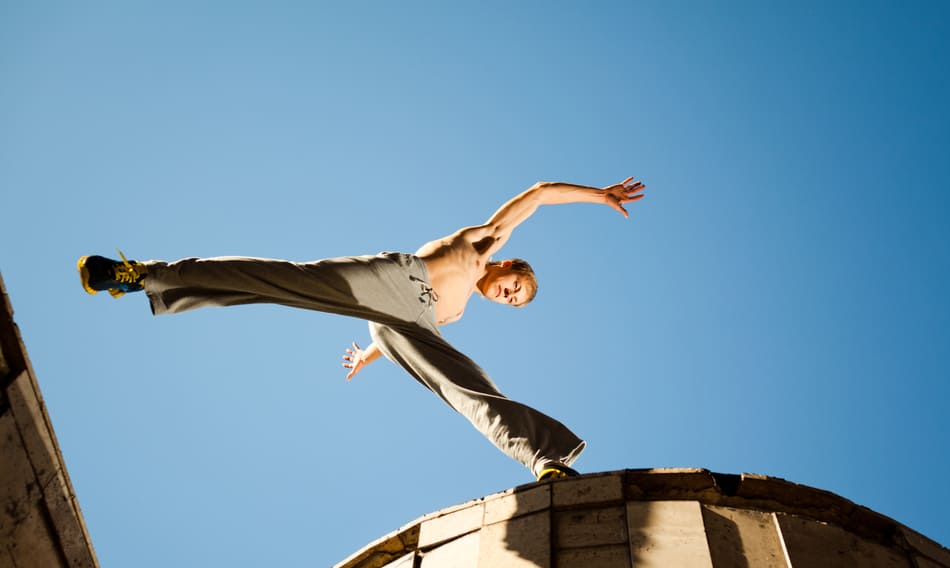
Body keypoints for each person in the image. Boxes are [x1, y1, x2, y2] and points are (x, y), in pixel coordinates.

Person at [78, 177, 645, 480]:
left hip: (403, 325)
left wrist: (368, 357)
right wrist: (599, 195)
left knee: (466, 383)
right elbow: (539, 195)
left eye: (513, 303)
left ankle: (543, 458)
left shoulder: (458, 313)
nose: (506, 296)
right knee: (278, 280)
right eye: (513, 287)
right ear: (508, 266)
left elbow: (399, 338)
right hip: (396, 282)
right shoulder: (483, 245)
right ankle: (141, 275)